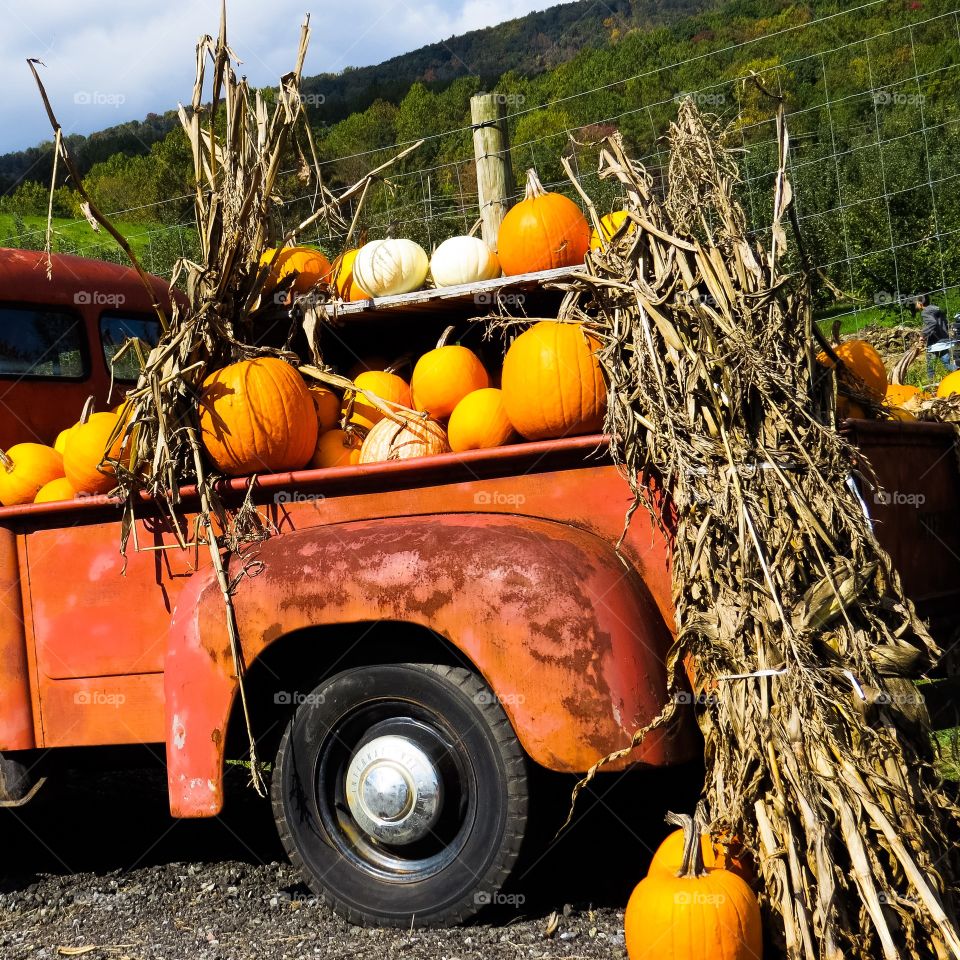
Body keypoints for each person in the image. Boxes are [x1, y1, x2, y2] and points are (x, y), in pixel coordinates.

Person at [917, 294, 949, 381]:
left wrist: (923, 335)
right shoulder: (936, 309)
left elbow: (933, 323)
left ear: (920, 303)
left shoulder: (925, 312)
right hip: (944, 340)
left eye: (916, 302)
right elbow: (945, 322)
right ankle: (956, 374)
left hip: (934, 343)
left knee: (930, 368)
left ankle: (931, 384)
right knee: (947, 365)